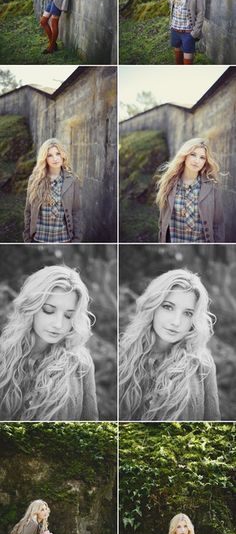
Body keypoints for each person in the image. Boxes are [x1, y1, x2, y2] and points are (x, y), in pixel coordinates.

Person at [119, 268, 221, 421]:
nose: (176, 322)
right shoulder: (123, 356)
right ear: (153, 306)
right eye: (168, 307)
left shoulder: (202, 365)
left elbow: (213, 424)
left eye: (188, 313)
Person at [0, 264, 98, 421]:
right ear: (31, 306)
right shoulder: (4, 356)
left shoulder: (80, 363)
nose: (58, 324)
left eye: (68, 315)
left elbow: (91, 421)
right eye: (48, 310)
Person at [156, 138, 225, 243]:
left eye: (202, 157)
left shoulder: (212, 187)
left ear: (205, 162)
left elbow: (218, 225)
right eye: (193, 154)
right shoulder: (168, 183)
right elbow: (162, 222)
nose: (197, 161)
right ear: (185, 155)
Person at [23, 138, 83, 243]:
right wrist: (27, 238)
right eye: (49, 155)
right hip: (38, 240)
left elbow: (76, 211)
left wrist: (76, 240)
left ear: (63, 155)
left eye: (58, 153)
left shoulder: (72, 180)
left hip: (64, 240)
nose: (55, 159)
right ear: (44, 158)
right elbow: (28, 211)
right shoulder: (35, 179)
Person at [170, 0, 204, 64]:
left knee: (187, 64)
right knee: (178, 61)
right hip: (175, 30)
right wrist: (171, 26)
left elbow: (201, 13)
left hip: (188, 32)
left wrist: (195, 33)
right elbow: (173, 9)